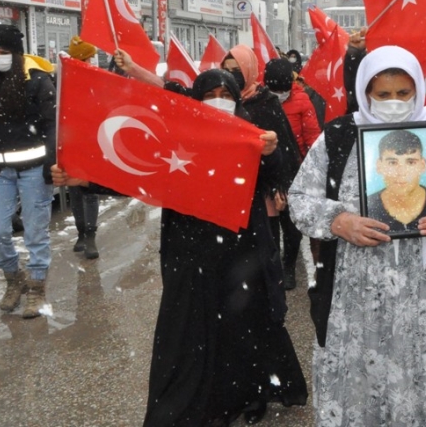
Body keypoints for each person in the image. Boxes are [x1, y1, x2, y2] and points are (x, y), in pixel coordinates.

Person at [53, 69, 308, 425]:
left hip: (242, 245)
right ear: (196, 98)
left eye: (226, 93)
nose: (218, 100)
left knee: (244, 322)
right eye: (210, 93)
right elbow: (138, 172)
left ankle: (251, 394)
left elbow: (278, 177)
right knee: (190, 325)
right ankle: (195, 401)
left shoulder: (251, 131)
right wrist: (86, 179)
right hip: (189, 247)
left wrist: (270, 153)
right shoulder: (176, 134)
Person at [288, 45, 426, 426]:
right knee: (366, 379)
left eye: (403, 93)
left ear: (418, 88)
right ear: (364, 92)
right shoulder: (338, 137)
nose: (394, 103)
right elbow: (300, 198)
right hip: (358, 295)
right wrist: (338, 221)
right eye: (382, 95)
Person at [222, 45, 302, 290]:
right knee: (261, 237)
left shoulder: (265, 102)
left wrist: (281, 184)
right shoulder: (224, 102)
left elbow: (285, 145)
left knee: (285, 229)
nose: (232, 75)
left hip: (272, 179)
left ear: (248, 69)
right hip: (244, 184)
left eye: (237, 69)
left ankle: (285, 269)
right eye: (227, 70)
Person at [0, 25, 56, 319]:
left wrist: (51, 162)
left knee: (35, 232)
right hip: (0, 171)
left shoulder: (37, 79)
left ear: (16, 54)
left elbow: (52, 123)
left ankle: (36, 287)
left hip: (34, 170)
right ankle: (13, 277)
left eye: (4, 52)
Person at [264, 57, 321, 289]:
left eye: (283, 89)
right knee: (269, 225)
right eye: (274, 89)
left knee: (291, 226)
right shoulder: (261, 101)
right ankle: (274, 267)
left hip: (294, 171)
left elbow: (312, 138)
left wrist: (311, 173)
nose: (279, 94)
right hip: (268, 171)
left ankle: (289, 267)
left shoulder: (302, 101)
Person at [366, 129, 426, 237]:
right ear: (379, 166)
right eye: (392, 162)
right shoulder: (366, 206)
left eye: (410, 162)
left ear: (423, 165)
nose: (401, 172)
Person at [65, 35, 101, 259]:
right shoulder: (65, 81)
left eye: (93, 58)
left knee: (90, 191)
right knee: (75, 192)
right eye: (89, 58)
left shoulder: (99, 81)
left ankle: (90, 236)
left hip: (92, 144)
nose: (93, 62)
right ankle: (81, 232)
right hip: (72, 144)